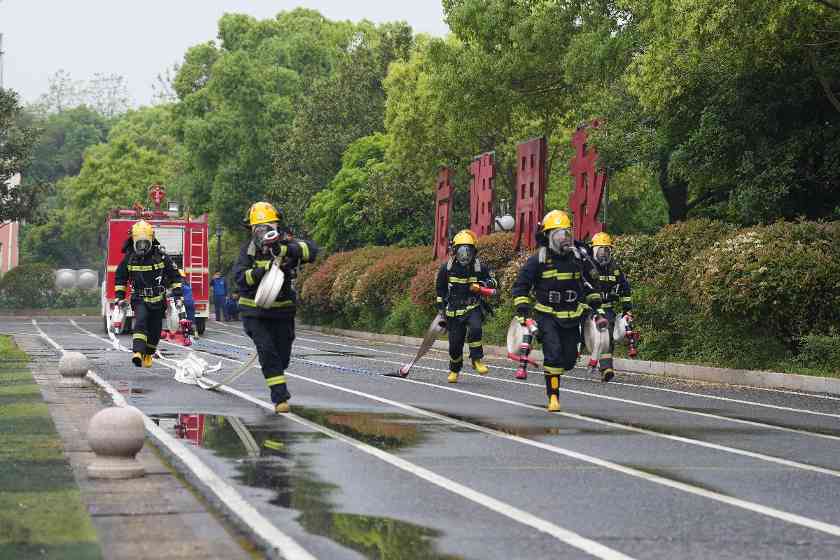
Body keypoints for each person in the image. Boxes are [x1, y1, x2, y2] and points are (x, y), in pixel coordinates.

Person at [511, 210, 605, 411]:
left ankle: (554, 374)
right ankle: (553, 397)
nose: (564, 238)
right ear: (548, 236)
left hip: (572, 316)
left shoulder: (577, 259)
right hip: (547, 316)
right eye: (558, 234)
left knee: (569, 361)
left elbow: (590, 285)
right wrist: (523, 309)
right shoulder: (539, 260)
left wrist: (597, 308)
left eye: (566, 233)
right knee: (553, 354)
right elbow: (520, 286)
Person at [232, 202, 319, 413]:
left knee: (282, 356)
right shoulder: (248, 250)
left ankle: (277, 376)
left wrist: (285, 249)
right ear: (252, 230)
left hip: (282, 310)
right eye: (259, 228)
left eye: (268, 226)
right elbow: (239, 278)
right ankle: (280, 398)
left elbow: (312, 251)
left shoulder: (286, 243)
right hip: (254, 311)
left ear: (277, 226)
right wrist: (261, 272)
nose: (264, 232)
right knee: (267, 351)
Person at [115, 220, 183, 367]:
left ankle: (148, 354)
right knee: (140, 322)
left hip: (158, 300)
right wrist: (119, 297)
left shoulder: (161, 257)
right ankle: (137, 353)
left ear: (151, 240)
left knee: (155, 330)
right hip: (139, 298)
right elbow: (120, 278)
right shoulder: (129, 258)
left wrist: (177, 293)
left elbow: (175, 275)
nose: (142, 247)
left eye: (145, 243)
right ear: (133, 241)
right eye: (139, 243)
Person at [435, 229, 498, 384]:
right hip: (453, 312)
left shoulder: (479, 267)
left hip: (472, 307)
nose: (465, 255)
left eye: (468, 251)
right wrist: (441, 308)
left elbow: (494, 282)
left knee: (476, 329)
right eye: (462, 251)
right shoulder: (446, 268)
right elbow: (440, 289)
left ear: (473, 251)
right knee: (455, 345)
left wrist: (482, 285)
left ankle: (477, 359)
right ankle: (454, 369)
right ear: (455, 251)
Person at [589, 232, 633, 382]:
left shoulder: (615, 268)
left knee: (606, 336)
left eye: (606, 250)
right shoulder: (588, 266)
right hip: (588, 309)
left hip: (607, 310)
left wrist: (627, 309)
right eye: (600, 250)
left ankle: (606, 368)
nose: (603, 254)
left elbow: (625, 289)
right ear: (593, 250)